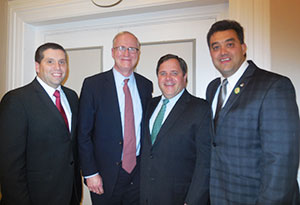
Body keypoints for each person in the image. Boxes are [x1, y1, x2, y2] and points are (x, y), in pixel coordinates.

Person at [206, 20, 300, 204]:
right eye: (215, 47)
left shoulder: (274, 86)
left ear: (243, 47)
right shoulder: (213, 88)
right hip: (220, 196)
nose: (222, 52)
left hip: (255, 198)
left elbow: (281, 161)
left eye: (229, 44)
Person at [0, 42, 82, 204]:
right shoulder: (16, 100)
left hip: (69, 194)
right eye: (50, 61)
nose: (58, 67)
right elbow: (9, 165)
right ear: (37, 66)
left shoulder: (72, 97)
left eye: (62, 61)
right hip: (35, 197)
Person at [77, 31, 153, 204]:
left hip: (138, 175)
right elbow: (83, 134)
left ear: (138, 54)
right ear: (112, 52)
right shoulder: (93, 85)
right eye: (121, 48)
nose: (127, 54)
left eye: (132, 49)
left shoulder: (145, 85)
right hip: (104, 176)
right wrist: (90, 172)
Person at [140, 54, 211, 205]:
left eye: (174, 73)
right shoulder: (149, 105)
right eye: (163, 73)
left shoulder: (200, 108)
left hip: (179, 198)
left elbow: (205, 163)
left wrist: (192, 201)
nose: (168, 78)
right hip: (145, 196)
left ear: (184, 77)